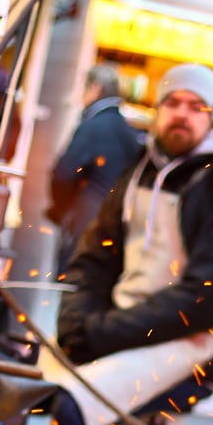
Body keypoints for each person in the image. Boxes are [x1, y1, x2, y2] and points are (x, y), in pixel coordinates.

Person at [49, 63, 213, 425]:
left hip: (194, 340)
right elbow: (95, 257)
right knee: (25, 389)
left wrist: (102, 334)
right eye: (172, 102)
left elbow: (206, 299)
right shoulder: (139, 170)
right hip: (121, 325)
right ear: (156, 109)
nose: (182, 114)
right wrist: (75, 321)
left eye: (196, 106)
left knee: (74, 408)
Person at [45, 62, 142, 273]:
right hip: (114, 227)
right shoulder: (127, 131)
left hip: (83, 220)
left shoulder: (93, 125)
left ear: (95, 88)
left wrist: (60, 209)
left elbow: (65, 172)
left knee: (70, 283)